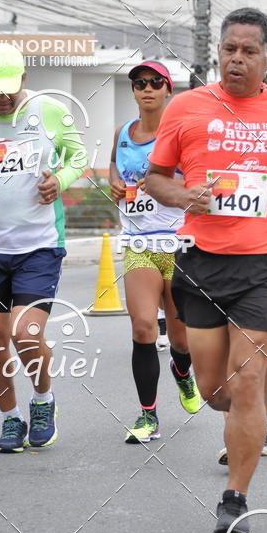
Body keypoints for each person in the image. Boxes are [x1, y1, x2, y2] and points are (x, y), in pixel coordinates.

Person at [145, 7, 267, 533]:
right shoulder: (187, 108)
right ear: (218, 53)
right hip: (202, 263)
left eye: (249, 51)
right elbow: (156, 178)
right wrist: (184, 195)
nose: (237, 59)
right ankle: (246, 412)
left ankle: (235, 499)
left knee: (247, 381)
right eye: (229, 49)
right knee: (215, 392)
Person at [0, 42, 87, 452]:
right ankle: (10, 418)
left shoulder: (48, 110)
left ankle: (43, 400)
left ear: (25, 82)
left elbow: (78, 155)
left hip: (39, 244)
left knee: (25, 332)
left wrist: (60, 181)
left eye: (9, 90)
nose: (1, 98)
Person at [109, 60, 200, 444]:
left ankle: (183, 373)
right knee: (144, 327)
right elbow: (114, 166)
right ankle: (148, 416)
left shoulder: (179, 134)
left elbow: (197, 182)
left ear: (168, 90)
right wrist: (114, 183)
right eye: (139, 83)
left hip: (179, 244)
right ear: (133, 91)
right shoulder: (122, 133)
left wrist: (164, 182)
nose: (146, 89)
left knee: (180, 339)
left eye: (155, 83)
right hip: (138, 244)